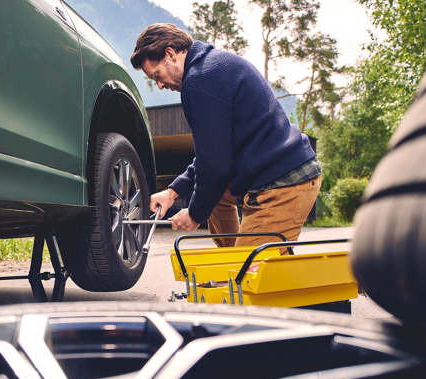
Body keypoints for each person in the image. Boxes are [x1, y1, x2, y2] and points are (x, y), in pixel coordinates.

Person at [130, 24, 321, 250]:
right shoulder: (210, 67)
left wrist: (194, 214)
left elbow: (215, 167)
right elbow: (212, 155)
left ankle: (240, 270)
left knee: (247, 277)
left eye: (157, 76)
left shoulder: (200, 80)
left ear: (171, 54)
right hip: (269, 172)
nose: (160, 85)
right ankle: (232, 260)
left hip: (284, 183)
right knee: (217, 196)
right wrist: (173, 192)